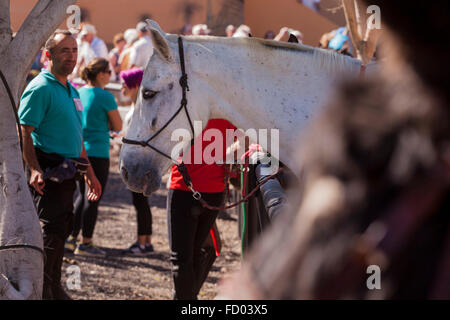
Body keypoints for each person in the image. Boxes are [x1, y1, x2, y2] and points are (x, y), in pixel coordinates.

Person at [18, 30, 102, 299]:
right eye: (64, 50)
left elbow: (76, 137)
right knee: (51, 231)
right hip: (48, 169)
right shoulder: (41, 87)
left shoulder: (72, 90)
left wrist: (89, 173)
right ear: (48, 55)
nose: (71, 56)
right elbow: (25, 130)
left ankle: (53, 286)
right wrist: (34, 169)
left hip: (70, 170)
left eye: (74, 50)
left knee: (63, 228)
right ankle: (42, 289)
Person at [168, 119, 236, 299]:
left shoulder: (191, 104)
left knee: (182, 258)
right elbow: (244, 138)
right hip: (212, 191)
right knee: (195, 253)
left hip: (185, 189)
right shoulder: (226, 108)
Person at [65, 58, 122, 257]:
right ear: (100, 75)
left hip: (78, 150)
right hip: (98, 152)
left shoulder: (78, 92)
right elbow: (118, 126)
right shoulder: (105, 96)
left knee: (80, 196)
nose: (110, 75)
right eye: (109, 71)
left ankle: (71, 238)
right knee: (93, 196)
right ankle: (86, 242)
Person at [118, 68, 154, 255]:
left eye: (125, 83)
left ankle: (142, 243)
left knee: (140, 203)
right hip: (138, 162)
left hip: (139, 163)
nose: (122, 87)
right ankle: (145, 240)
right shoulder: (137, 108)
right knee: (142, 204)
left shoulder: (140, 110)